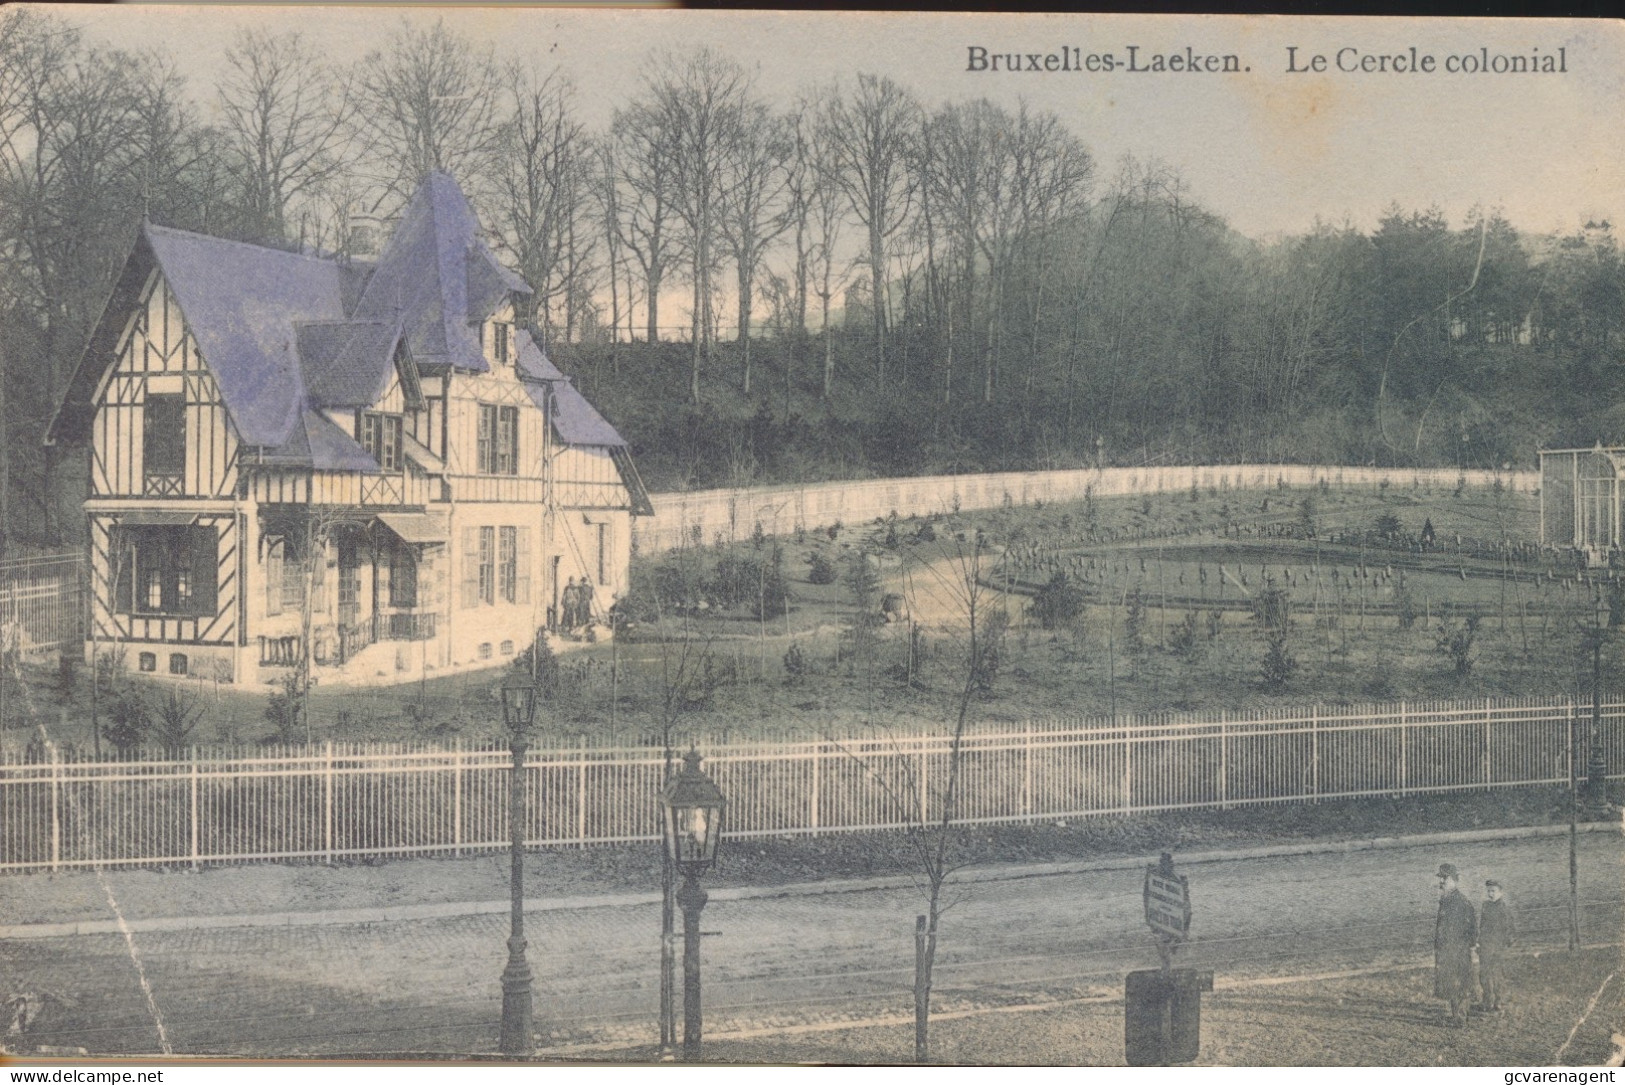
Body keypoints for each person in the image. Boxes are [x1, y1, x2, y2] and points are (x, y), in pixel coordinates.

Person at [1435, 863, 1478, 1026]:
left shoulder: (1460, 902)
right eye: (1441, 878)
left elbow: (1471, 928)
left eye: (1444, 878)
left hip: (1457, 951)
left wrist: (1465, 947)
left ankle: (1460, 1018)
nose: (1441, 882)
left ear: (1454, 880)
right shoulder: (1448, 899)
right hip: (1448, 950)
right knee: (1451, 982)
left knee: (1459, 982)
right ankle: (1456, 1015)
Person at [1476, 879, 1515, 1013]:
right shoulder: (1485, 906)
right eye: (1489, 891)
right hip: (1485, 946)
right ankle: (1487, 1001)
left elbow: (1510, 930)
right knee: (1484, 975)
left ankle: (1498, 1002)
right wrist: (1479, 942)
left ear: (1500, 892)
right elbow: (1482, 927)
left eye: (1493, 891)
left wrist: (1503, 945)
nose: (1490, 894)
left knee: (1497, 974)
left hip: (1497, 948)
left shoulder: (1504, 909)